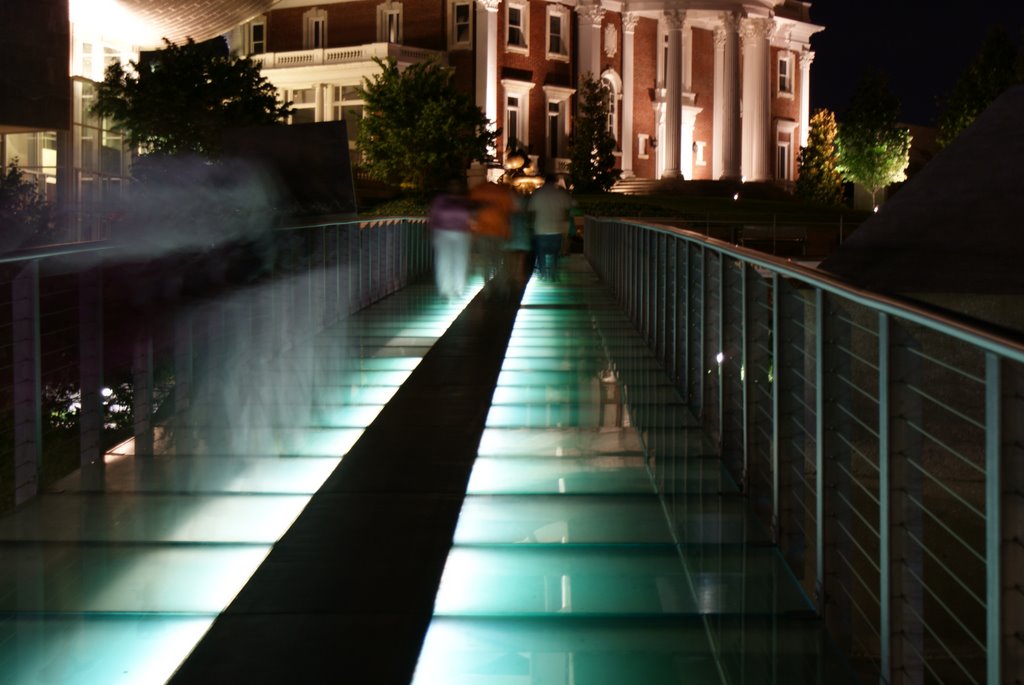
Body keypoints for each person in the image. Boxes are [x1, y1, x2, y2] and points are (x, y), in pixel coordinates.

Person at [468, 181, 517, 295]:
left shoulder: (477, 191)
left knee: (486, 260)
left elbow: (471, 212)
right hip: (500, 230)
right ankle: (503, 286)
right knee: (499, 260)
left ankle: (487, 287)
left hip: (483, 230)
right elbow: (510, 211)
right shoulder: (503, 192)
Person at [428, 179, 474, 298]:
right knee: (444, 261)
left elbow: (471, 217)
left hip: (462, 233)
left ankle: (458, 289)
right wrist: (429, 229)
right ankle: (445, 289)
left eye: (457, 184)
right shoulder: (440, 200)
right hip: (443, 232)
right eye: (452, 184)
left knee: (460, 261)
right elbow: (433, 215)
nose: (455, 187)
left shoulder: (465, 201)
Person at [527, 174, 575, 282]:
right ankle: (553, 274)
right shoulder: (561, 194)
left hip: (540, 229)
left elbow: (531, 212)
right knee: (555, 254)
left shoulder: (537, 193)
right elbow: (567, 211)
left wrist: (531, 227)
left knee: (540, 254)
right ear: (556, 181)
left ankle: (543, 274)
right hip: (556, 229)